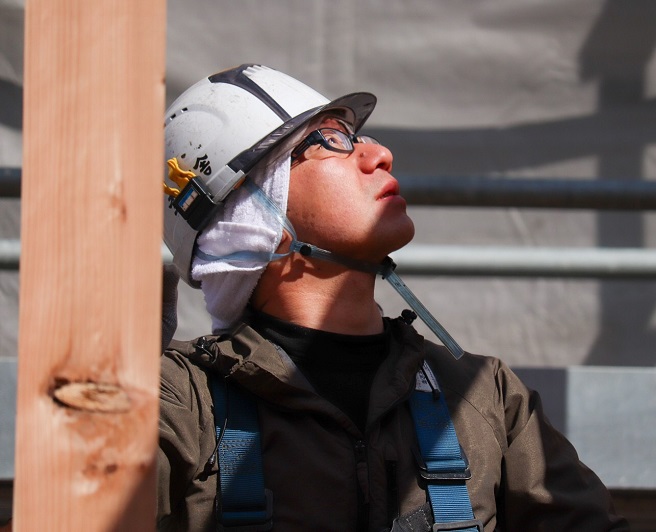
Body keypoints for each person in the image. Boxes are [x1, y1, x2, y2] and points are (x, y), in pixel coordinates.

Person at [158, 64, 629, 532]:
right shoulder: (180, 403)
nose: (380, 155)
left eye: (358, 137)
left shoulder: (484, 397)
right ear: (252, 219)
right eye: (330, 140)